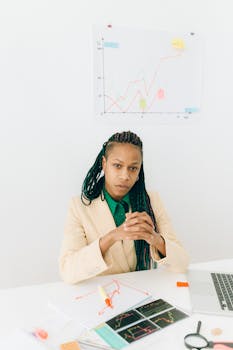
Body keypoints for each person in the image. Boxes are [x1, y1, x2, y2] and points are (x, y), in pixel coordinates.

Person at [59, 131, 189, 284]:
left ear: (139, 170)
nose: (125, 176)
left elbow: (182, 264)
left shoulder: (152, 200)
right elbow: (68, 271)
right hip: (103, 295)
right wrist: (112, 236)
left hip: (142, 293)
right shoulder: (79, 207)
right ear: (104, 164)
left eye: (133, 168)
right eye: (117, 166)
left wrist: (153, 238)